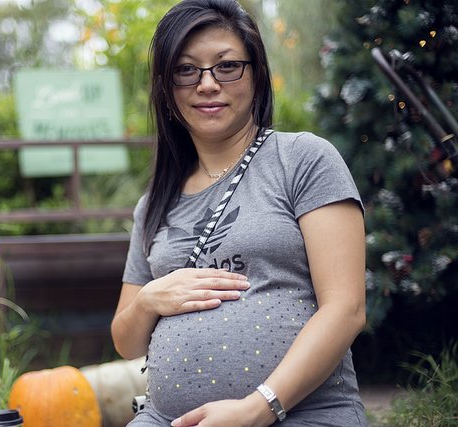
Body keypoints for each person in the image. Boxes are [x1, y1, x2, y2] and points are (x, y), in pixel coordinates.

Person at [111, 0, 368, 426]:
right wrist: (149, 301)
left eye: (227, 66)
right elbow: (125, 341)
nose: (207, 84)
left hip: (303, 413)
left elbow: (346, 308)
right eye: (186, 70)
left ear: (256, 75)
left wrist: (258, 408)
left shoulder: (302, 160)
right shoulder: (154, 202)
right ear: (166, 89)